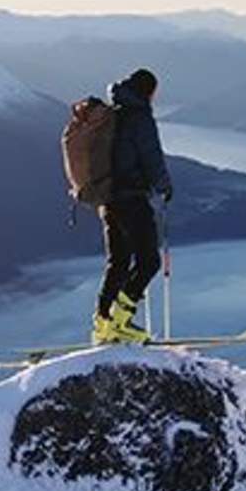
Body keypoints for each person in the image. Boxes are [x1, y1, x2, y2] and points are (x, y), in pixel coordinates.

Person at [93, 67, 173, 344]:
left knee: (118, 262)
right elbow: (151, 157)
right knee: (149, 260)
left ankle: (103, 324)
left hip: (107, 200)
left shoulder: (114, 111)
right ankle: (120, 320)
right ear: (148, 91)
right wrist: (164, 187)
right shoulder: (140, 117)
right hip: (131, 199)